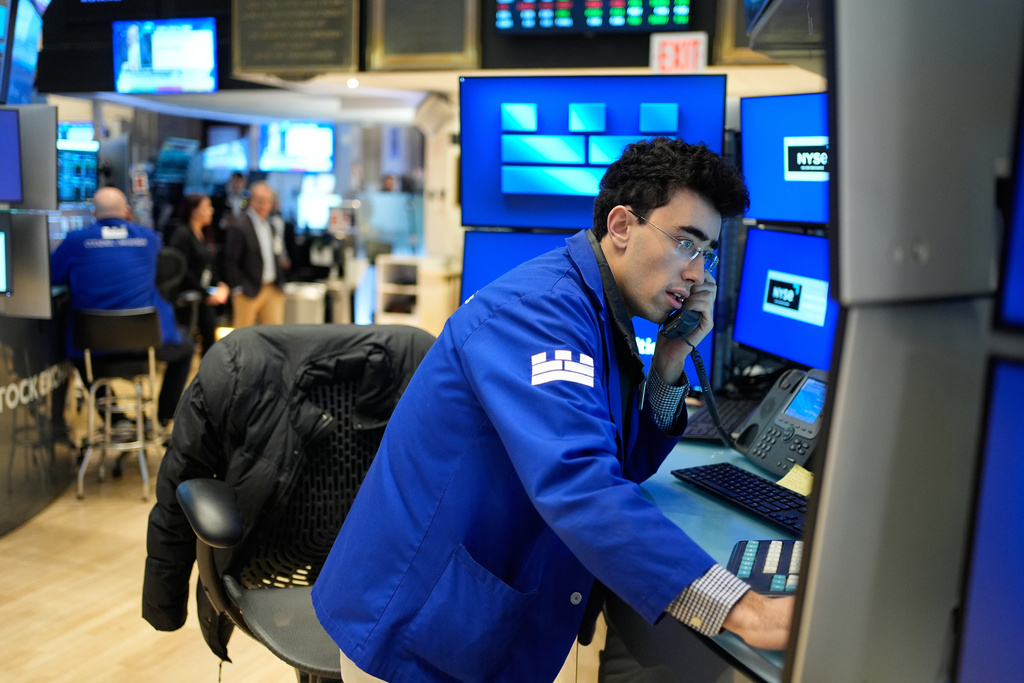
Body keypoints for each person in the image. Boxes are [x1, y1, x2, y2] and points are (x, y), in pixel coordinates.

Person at [310, 138, 794, 682]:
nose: (697, 275)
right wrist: (743, 609)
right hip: (412, 630)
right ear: (621, 226)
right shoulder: (540, 316)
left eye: (707, 255)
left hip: (469, 618)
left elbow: (621, 464)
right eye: (686, 244)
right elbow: (579, 483)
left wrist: (669, 363)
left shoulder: (598, 311)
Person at [50, 186, 194, 427]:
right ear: (127, 211)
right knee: (186, 348)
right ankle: (163, 418)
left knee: (76, 354)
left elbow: (54, 275)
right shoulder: (149, 238)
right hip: (146, 346)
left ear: (94, 213)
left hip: (94, 349)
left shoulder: (75, 241)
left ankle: (115, 421)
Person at [164, 193, 230, 356]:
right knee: (204, 332)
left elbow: (208, 265)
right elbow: (182, 269)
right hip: (187, 295)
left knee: (210, 331)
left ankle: (207, 369)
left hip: (202, 292)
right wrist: (205, 293)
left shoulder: (205, 234)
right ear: (194, 210)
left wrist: (219, 284)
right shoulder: (182, 234)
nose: (211, 211)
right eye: (207, 206)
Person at [223, 182, 287, 328]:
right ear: (251, 201)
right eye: (260, 201)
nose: (264, 205)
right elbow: (231, 260)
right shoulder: (240, 226)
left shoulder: (270, 226)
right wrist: (237, 287)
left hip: (271, 287)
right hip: (248, 288)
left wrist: (281, 284)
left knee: (274, 333)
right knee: (243, 333)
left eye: (267, 201)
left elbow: (275, 255)